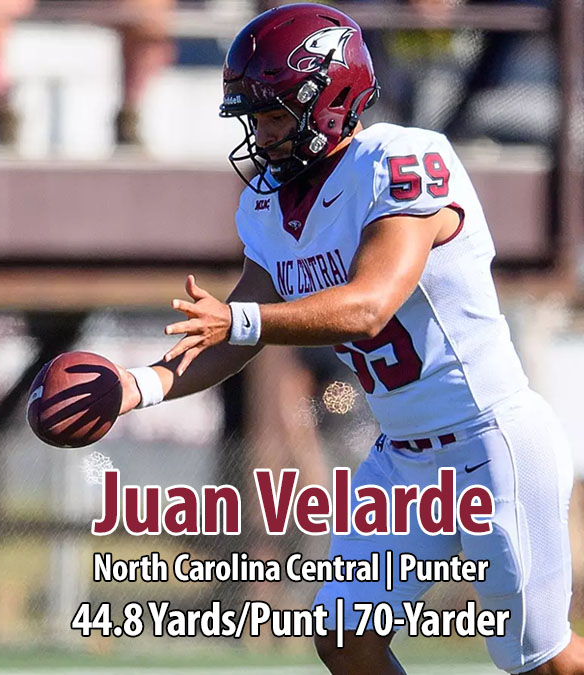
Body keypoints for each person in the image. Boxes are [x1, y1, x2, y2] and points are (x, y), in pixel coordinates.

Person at [106, 4, 584, 674]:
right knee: (343, 633)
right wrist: (139, 385)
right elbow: (236, 328)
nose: (260, 135)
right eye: (252, 117)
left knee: (542, 661)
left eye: (272, 115)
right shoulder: (271, 204)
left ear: (327, 100)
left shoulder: (403, 158)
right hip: (404, 459)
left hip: (490, 439)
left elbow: (368, 304)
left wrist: (240, 320)